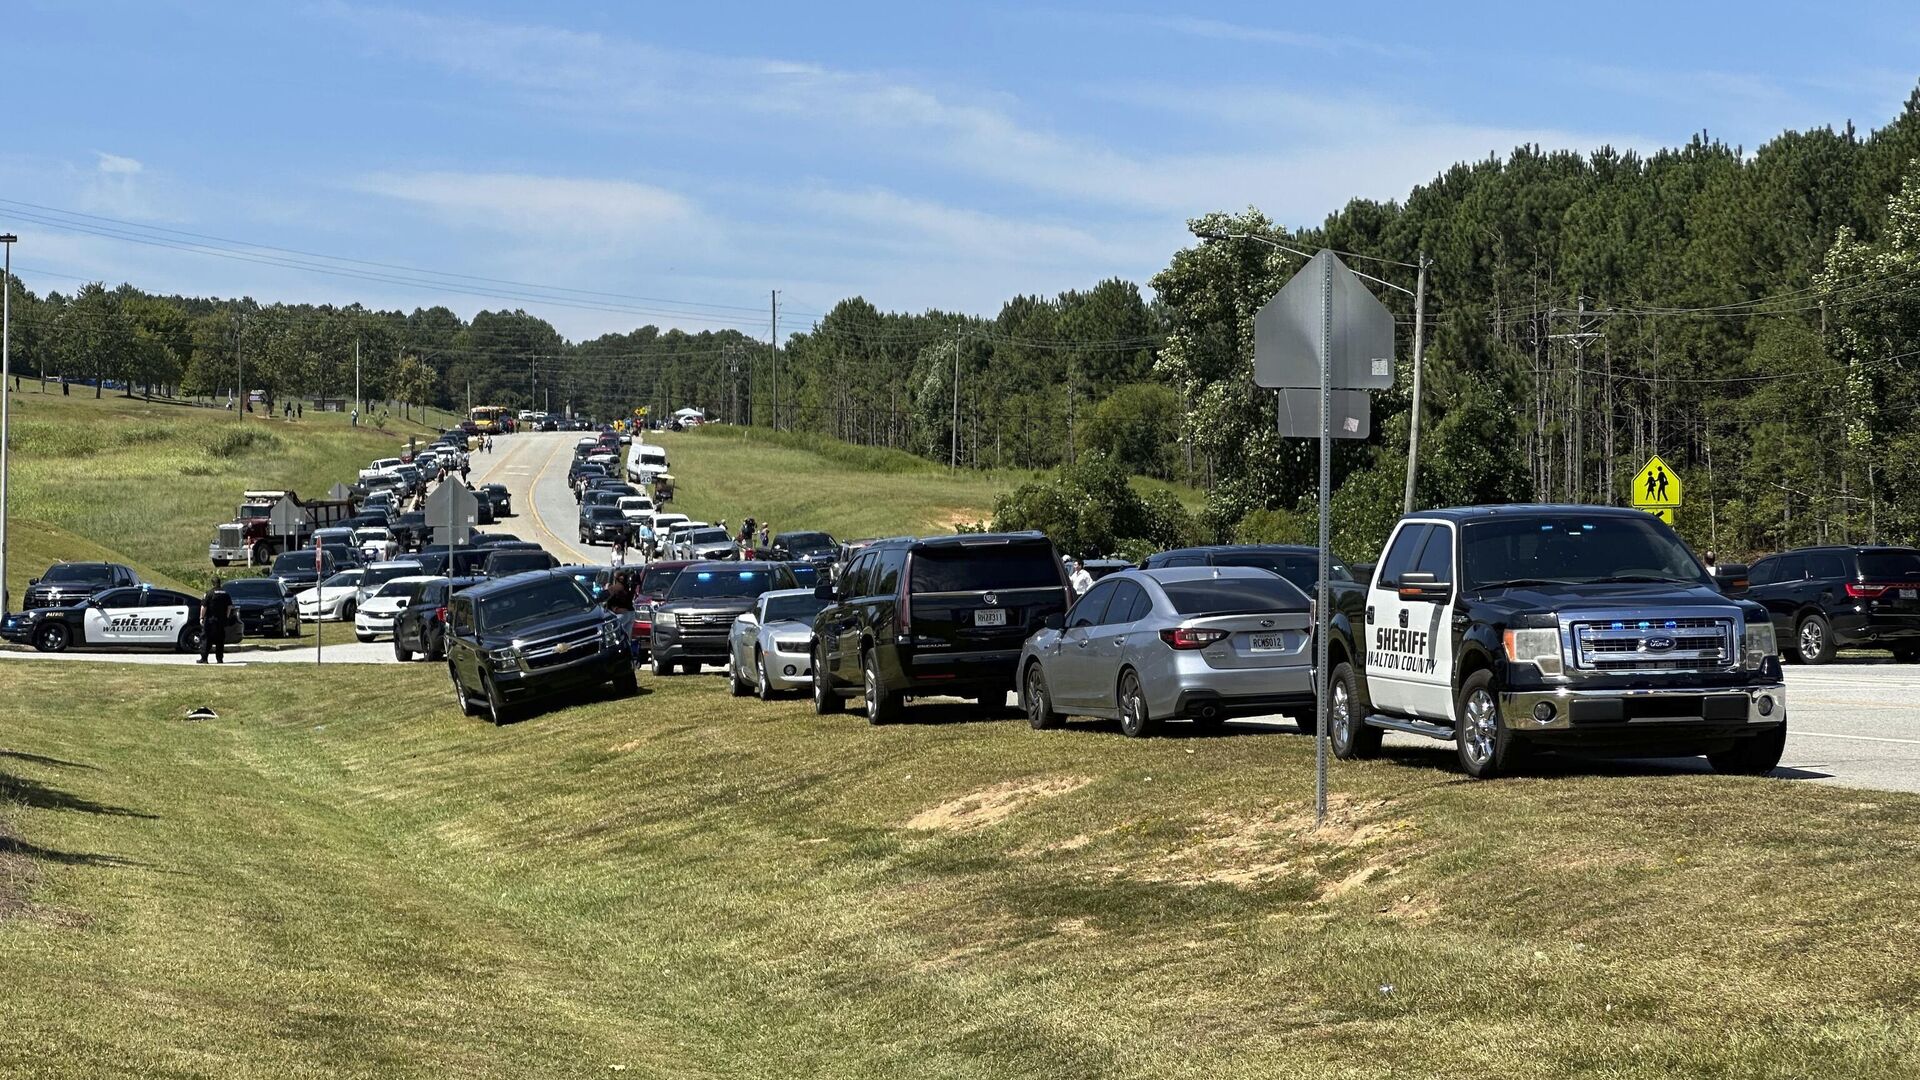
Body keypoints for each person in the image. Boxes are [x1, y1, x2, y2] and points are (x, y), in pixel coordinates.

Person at [198, 576, 234, 664]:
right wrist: (226, 617)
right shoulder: (226, 594)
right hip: (221, 620)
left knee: (206, 639)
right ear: (220, 582)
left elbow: (204, 607)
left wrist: (201, 618)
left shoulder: (209, 593)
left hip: (210, 620)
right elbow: (229, 607)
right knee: (220, 640)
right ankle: (219, 659)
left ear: (212, 583)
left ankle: (204, 659)